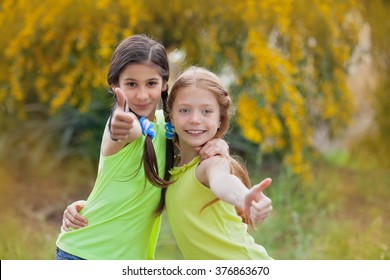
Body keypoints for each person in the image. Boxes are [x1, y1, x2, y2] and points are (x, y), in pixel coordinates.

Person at [55, 34, 229, 260]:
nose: (142, 94)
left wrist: (220, 144)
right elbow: (126, 129)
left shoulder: (169, 125)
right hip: (86, 255)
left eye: (151, 83)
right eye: (131, 84)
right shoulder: (121, 125)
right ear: (115, 85)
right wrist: (122, 125)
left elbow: (197, 133)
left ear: (165, 83)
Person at [164, 66, 273, 259]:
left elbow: (222, 180)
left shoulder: (210, 163)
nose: (195, 119)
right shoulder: (175, 167)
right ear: (171, 117)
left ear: (220, 120)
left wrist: (244, 197)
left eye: (206, 111)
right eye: (184, 110)